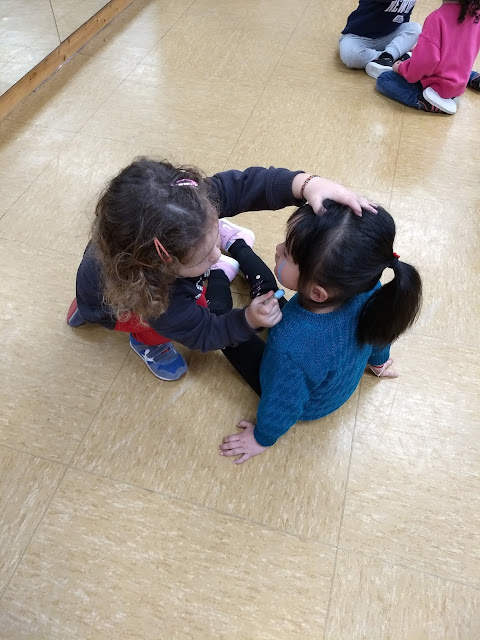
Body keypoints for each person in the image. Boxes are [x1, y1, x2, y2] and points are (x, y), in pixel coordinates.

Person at [67, 159, 375, 382]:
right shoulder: (161, 303)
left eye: (216, 234)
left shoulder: (187, 205)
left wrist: (307, 184)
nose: (217, 255)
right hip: (123, 307)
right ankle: (143, 341)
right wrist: (247, 319)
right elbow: (203, 332)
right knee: (146, 326)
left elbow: (248, 185)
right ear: (159, 265)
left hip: (103, 282)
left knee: (101, 298)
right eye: (202, 258)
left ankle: (86, 305)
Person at [219, 201, 422, 464]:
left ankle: (219, 271)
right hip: (327, 382)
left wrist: (262, 437)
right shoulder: (370, 289)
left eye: (287, 254)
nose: (277, 248)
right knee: (269, 295)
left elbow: (283, 402)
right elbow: (380, 330)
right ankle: (236, 245)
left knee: (226, 330)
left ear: (317, 293)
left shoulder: (287, 349)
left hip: (310, 403)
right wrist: (378, 362)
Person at [375, 0, 480, 113]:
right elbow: (455, 48)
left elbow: (424, 64)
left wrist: (401, 68)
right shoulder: (476, 14)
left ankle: (423, 101)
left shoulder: (437, 18)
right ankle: (472, 77)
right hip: (459, 84)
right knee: (455, 59)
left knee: (384, 78)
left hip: (437, 89)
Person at [339, 0, 421, 78]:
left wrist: (405, 41)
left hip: (387, 36)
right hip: (359, 37)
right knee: (351, 56)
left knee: (415, 28)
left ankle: (388, 57)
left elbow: (403, 19)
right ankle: (391, 57)